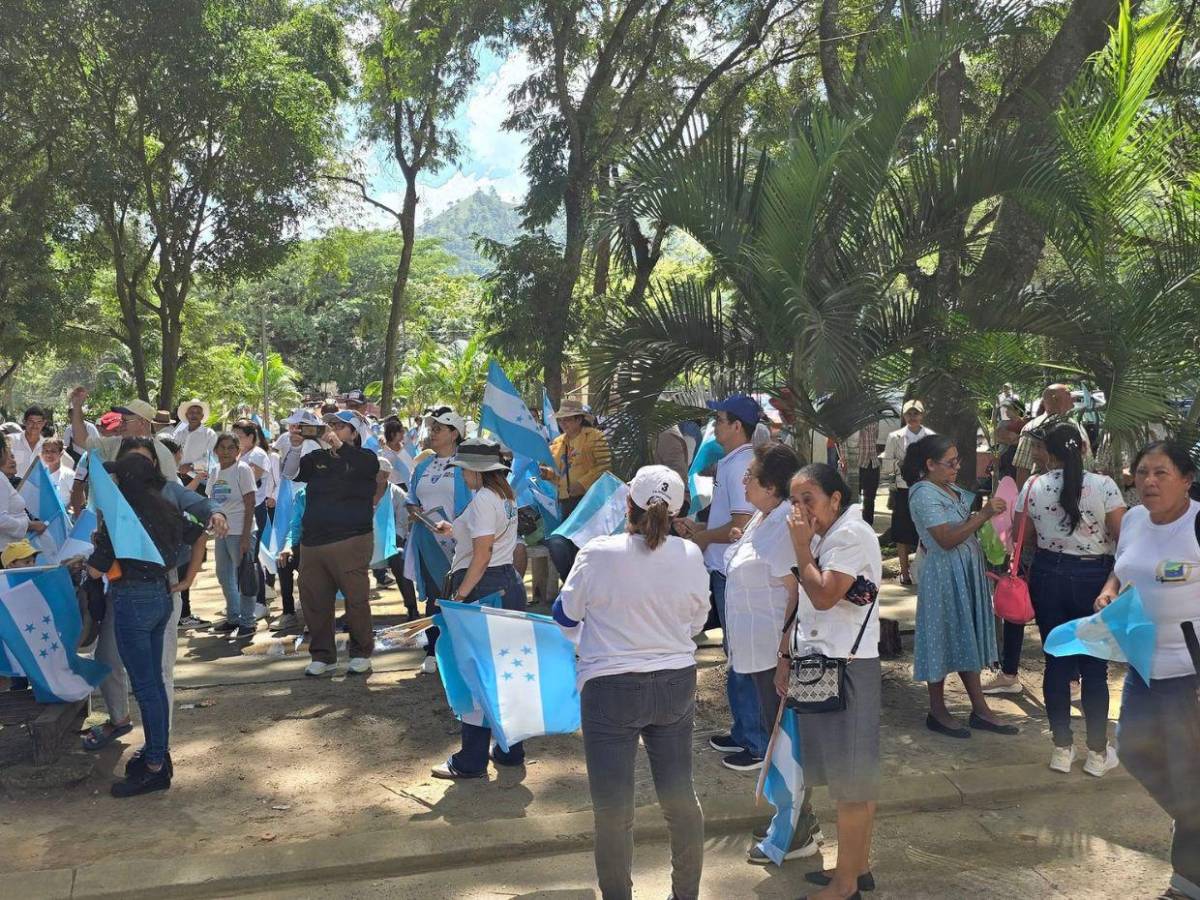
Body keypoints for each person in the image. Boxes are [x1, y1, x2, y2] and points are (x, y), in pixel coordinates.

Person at [552, 466, 709, 900]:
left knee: (613, 810)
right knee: (680, 799)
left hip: (609, 687)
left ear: (628, 505)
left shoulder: (598, 553)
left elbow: (565, 615)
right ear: (676, 512)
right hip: (675, 683)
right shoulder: (690, 555)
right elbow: (698, 621)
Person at [1094, 441, 1200, 899]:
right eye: (1142, 473)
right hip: (1143, 663)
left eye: (1161, 473)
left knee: (1190, 773)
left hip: (1189, 673)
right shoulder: (1135, 519)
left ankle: (1186, 884)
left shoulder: (1197, 524)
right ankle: (1192, 818)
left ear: (1186, 480)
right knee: (1133, 750)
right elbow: (1123, 570)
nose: (1149, 482)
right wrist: (1110, 590)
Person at [780, 462, 884, 897]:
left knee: (851, 786)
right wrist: (785, 653)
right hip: (833, 665)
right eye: (794, 501)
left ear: (835, 499)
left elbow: (823, 595)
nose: (801, 510)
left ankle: (845, 885)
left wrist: (801, 550)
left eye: (809, 499)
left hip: (848, 670)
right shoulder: (831, 535)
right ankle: (856, 868)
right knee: (851, 778)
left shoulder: (849, 535)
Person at [722, 442, 821, 861]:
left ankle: (794, 833)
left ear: (771, 486)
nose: (743, 481)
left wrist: (785, 655)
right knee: (777, 739)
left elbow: (799, 592)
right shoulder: (762, 518)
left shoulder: (784, 524)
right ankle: (799, 819)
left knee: (784, 742)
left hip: (774, 653)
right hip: (756, 652)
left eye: (750, 475)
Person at [1016, 424, 1125, 775]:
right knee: (1094, 667)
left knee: (1057, 662)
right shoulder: (1104, 486)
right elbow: (1122, 536)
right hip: (1095, 578)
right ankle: (1097, 753)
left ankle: (1061, 749)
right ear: (1083, 449)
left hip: (1048, 575)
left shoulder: (1032, 486)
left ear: (1048, 453)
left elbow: (1022, 535)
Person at [86, 451, 188, 797]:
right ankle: (158, 753)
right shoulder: (167, 508)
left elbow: (96, 569)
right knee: (154, 684)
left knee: (145, 687)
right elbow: (195, 535)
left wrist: (93, 553)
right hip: (161, 595)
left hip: (132, 600)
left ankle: (155, 765)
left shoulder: (122, 516)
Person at [674, 394, 767, 767]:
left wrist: (703, 537)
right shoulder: (733, 461)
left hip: (734, 573)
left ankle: (756, 742)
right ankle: (743, 731)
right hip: (726, 570)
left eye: (720, 419)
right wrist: (699, 528)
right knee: (735, 654)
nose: (715, 426)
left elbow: (740, 526)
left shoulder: (742, 463)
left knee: (742, 657)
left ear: (737, 426)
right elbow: (728, 522)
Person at [904, 434, 1018, 738]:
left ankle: (980, 709)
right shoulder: (923, 494)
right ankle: (937, 710)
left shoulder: (948, 488)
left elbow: (960, 527)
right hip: (943, 575)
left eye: (958, 461)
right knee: (940, 637)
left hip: (964, 571)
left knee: (967, 636)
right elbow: (945, 539)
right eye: (950, 463)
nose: (956, 468)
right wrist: (983, 515)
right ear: (930, 464)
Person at [428, 438, 528, 779]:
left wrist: (460, 596)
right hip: (505, 584)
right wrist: (454, 528)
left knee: (474, 675)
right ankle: (510, 749)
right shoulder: (504, 495)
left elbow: (482, 554)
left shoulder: (485, 498)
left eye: (463, 469)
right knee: (503, 673)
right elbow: (486, 540)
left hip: (485, 589)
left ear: (475, 470)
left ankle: (471, 759)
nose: (461, 475)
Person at [291, 412, 379, 677]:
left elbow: (367, 469)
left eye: (341, 425)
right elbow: (290, 473)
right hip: (313, 541)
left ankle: (361, 653)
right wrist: (294, 446)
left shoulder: (366, 457)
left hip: (351, 539)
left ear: (354, 433)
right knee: (314, 600)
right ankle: (323, 656)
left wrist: (339, 446)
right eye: (331, 424)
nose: (333, 428)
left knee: (356, 600)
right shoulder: (315, 458)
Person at [405, 406, 471, 675]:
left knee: (463, 594)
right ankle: (433, 650)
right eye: (432, 428)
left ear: (454, 434)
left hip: (460, 540)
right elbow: (411, 500)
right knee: (435, 596)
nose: (432, 433)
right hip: (427, 539)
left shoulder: (466, 465)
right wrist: (414, 511)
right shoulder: (423, 465)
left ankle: (462, 651)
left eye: (439, 429)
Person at [540, 399, 613, 580]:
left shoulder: (595, 436)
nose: (563, 423)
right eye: (561, 420)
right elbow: (559, 475)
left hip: (590, 502)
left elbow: (605, 466)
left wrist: (582, 483)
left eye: (568, 419)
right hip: (564, 503)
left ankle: (585, 583)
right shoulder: (557, 443)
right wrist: (547, 474)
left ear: (579, 419)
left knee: (584, 547)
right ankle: (570, 582)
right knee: (561, 545)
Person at [208, 432, 258, 639]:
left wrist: (246, 536)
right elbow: (211, 500)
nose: (226, 452)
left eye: (231, 448)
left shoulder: (242, 469)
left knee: (245, 576)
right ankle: (233, 617)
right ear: (215, 450)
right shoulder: (214, 470)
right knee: (224, 575)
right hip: (221, 533)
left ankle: (248, 622)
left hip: (240, 532)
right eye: (222, 447)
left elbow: (250, 503)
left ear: (238, 451)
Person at [880, 400, 934, 585]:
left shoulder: (930, 437)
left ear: (922, 415)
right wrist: (902, 465)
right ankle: (904, 573)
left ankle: (926, 570)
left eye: (916, 413)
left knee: (927, 530)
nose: (912, 417)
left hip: (926, 488)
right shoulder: (894, 437)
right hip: (903, 489)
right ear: (904, 416)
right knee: (902, 531)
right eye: (909, 414)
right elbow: (887, 465)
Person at [172, 399, 217, 493]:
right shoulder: (179, 434)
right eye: (191, 412)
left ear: (202, 416)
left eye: (198, 413)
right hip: (177, 478)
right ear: (186, 415)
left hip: (199, 481)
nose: (194, 415)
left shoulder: (209, 434)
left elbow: (212, 459)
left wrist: (191, 466)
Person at [10, 405, 48, 478]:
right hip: (13, 484)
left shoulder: (48, 446)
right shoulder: (11, 441)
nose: (35, 425)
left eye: (39, 422)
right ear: (24, 422)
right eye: (31, 421)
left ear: (43, 423)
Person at [40, 437, 76, 507]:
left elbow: (80, 498)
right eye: (46, 451)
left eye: (53, 451)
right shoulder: (39, 474)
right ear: (42, 454)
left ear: (61, 453)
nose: (49, 454)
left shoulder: (69, 474)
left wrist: (67, 509)